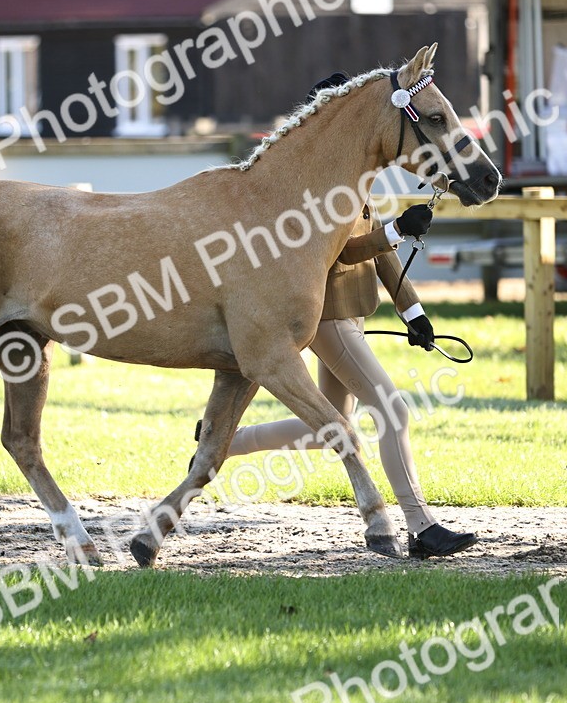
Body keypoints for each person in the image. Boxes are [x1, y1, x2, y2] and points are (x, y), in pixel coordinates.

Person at [203, 78, 477, 560]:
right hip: (328, 317)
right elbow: (340, 252)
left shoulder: (355, 178)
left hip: (354, 315)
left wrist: (413, 311)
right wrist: (396, 227)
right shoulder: (315, 187)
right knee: (393, 411)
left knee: (324, 427)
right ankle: (421, 525)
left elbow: (383, 254)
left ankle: (221, 441)